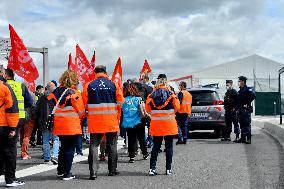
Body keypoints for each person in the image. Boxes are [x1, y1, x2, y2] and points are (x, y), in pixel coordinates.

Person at [82, 65, 124, 180]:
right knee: (112, 145)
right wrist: (117, 117)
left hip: (95, 121)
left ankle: (93, 172)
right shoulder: (113, 84)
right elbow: (120, 102)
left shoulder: (89, 85)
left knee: (94, 145)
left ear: (95, 73)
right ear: (105, 72)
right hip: (111, 120)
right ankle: (112, 170)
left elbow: (84, 104)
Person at [48, 70, 85, 180]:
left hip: (59, 124)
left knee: (63, 147)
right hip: (71, 125)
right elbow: (81, 112)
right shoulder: (74, 93)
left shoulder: (55, 92)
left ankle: (60, 170)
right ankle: (67, 173)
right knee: (69, 149)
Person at [146, 74, 180, 176]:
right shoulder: (172, 95)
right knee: (169, 146)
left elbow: (148, 110)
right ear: (166, 82)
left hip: (156, 125)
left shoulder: (151, 96)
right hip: (169, 124)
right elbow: (177, 108)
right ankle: (168, 169)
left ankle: (152, 169)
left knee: (156, 146)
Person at [0, 78, 25, 187]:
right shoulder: (5, 87)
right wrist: (13, 128)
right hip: (4, 125)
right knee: (9, 151)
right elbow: (12, 109)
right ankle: (10, 179)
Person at [121, 83, 149, 163]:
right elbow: (143, 110)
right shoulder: (138, 99)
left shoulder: (124, 100)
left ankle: (131, 157)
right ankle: (145, 153)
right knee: (141, 138)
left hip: (128, 122)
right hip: (138, 121)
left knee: (131, 139)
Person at [4, 68, 33, 136]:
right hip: (19, 116)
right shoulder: (21, 86)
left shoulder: (3, 85)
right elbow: (29, 102)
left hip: (5, 117)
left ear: (6, 75)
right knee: (14, 140)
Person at [37, 82, 60, 164]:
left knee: (45, 140)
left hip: (44, 121)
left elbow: (37, 110)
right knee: (56, 139)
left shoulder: (41, 97)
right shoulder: (56, 97)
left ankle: (47, 158)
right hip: (55, 121)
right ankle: (54, 156)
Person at [235, 76, 256, 144]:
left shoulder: (248, 89)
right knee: (242, 124)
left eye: (240, 81)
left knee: (247, 124)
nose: (239, 83)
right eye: (239, 81)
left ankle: (248, 138)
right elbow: (238, 102)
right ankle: (243, 138)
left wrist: (247, 103)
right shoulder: (239, 91)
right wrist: (237, 109)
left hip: (246, 110)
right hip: (240, 110)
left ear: (243, 82)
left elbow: (253, 95)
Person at [20, 88, 37, 159]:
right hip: (29, 117)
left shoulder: (18, 93)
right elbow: (34, 107)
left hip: (20, 116)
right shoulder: (32, 95)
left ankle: (22, 152)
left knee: (21, 135)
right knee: (27, 136)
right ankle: (24, 153)